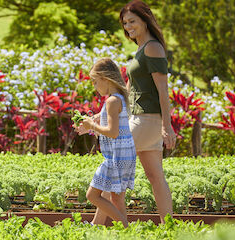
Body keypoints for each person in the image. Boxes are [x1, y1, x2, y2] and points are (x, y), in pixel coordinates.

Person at [92, 0, 176, 225]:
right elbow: (129, 89)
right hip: (142, 119)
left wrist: (166, 126)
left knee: (114, 166)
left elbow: (162, 89)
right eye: (125, 23)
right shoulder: (142, 48)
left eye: (132, 21)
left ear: (145, 20)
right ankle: (168, 227)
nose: (128, 27)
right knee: (155, 176)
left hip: (146, 120)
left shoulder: (152, 48)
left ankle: (98, 225)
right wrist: (100, 115)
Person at [74, 57, 136, 227]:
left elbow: (112, 132)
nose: (95, 87)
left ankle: (124, 225)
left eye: (95, 82)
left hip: (116, 158)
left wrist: (92, 125)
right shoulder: (118, 99)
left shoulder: (111, 101)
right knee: (117, 199)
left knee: (92, 195)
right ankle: (126, 233)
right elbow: (111, 127)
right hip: (125, 155)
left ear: (105, 78)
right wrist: (90, 125)